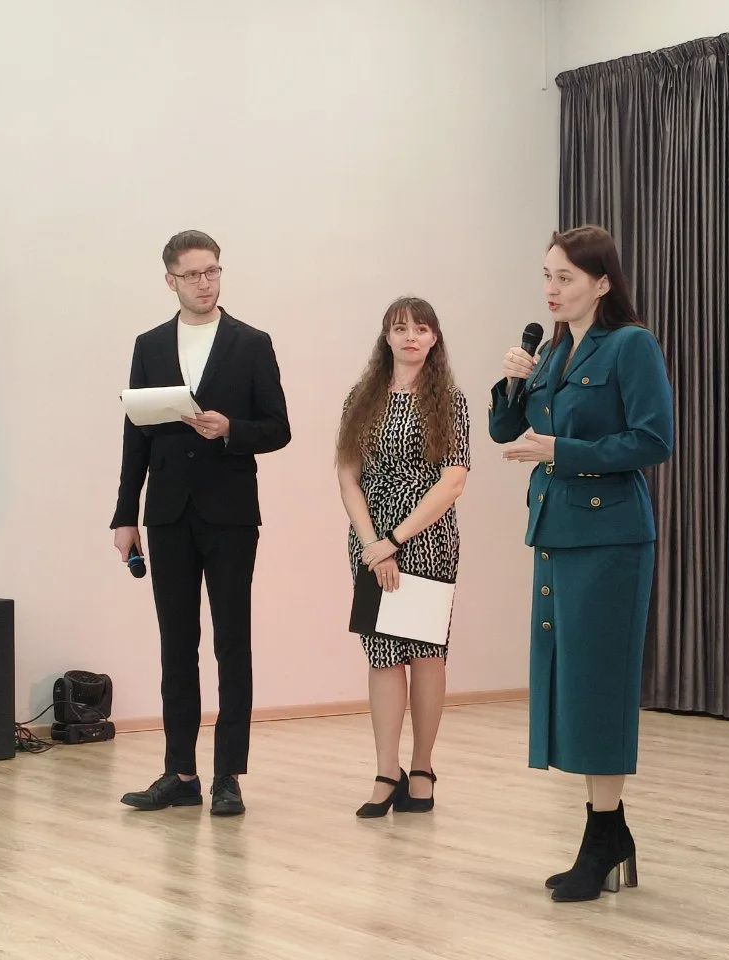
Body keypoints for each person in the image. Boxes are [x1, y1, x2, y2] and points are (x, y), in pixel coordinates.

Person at [488, 225, 674, 902]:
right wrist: (511, 384)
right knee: (571, 685)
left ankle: (602, 838)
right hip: (557, 532)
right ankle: (609, 833)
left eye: (565, 277)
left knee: (598, 686)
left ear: (601, 283)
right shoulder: (552, 351)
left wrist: (560, 452)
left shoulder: (631, 345)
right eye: (547, 275)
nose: (552, 289)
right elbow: (505, 432)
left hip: (611, 539)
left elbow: (653, 440)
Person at [111, 229, 291, 818]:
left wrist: (231, 429)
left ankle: (228, 775)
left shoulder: (251, 343)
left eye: (213, 271)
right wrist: (125, 515)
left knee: (231, 644)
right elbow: (136, 435)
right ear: (171, 280)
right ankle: (180, 773)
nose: (205, 283)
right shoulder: (149, 345)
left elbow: (279, 427)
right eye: (193, 274)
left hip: (230, 514)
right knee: (176, 645)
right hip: (167, 514)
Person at [335, 296, 470, 818]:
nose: (410, 337)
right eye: (400, 328)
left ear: (434, 338)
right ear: (386, 337)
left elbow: (452, 481)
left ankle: (422, 768)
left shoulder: (449, 400)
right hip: (370, 544)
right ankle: (385, 771)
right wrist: (374, 545)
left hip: (427, 540)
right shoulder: (361, 397)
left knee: (426, 655)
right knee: (383, 657)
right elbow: (348, 476)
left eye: (420, 328)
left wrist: (394, 540)